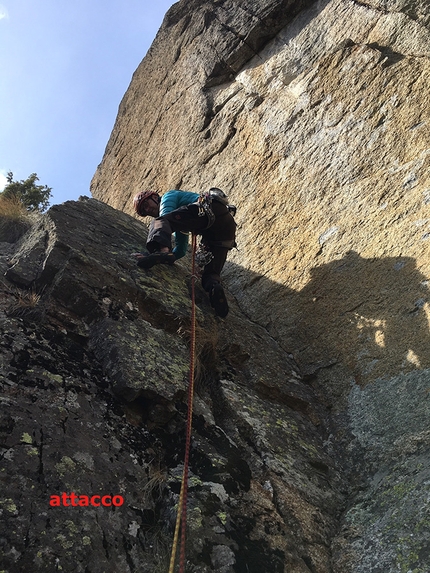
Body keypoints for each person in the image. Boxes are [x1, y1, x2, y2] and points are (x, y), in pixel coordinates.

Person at [133, 188, 237, 318]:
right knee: (210, 273)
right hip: (225, 228)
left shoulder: (168, 196)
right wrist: (171, 257)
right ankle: (215, 290)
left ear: (154, 197)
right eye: (144, 211)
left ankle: (162, 250)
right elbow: (181, 249)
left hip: (206, 210)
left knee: (158, 222)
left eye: (146, 205)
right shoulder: (180, 217)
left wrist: (160, 251)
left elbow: (164, 218)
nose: (148, 210)